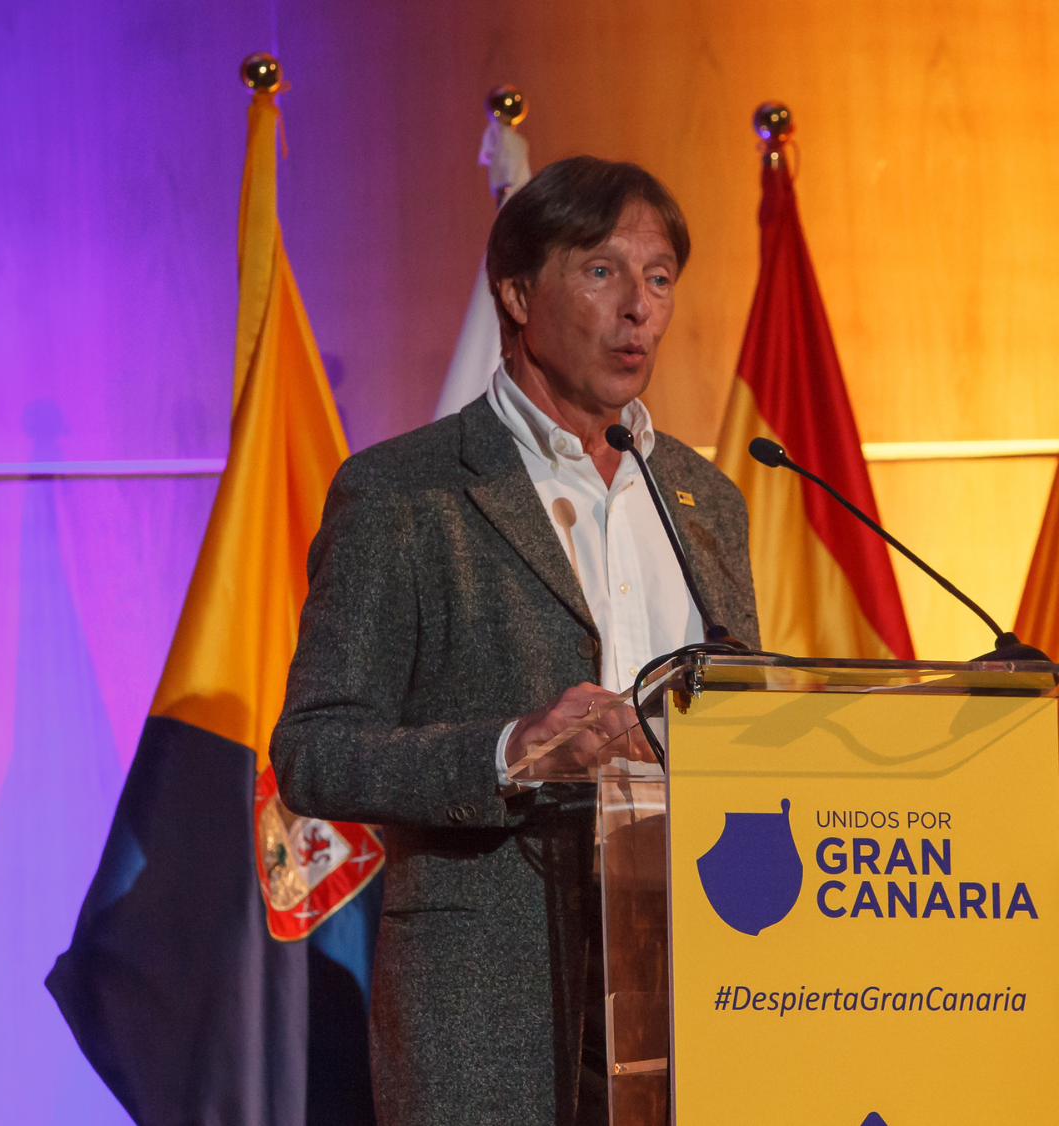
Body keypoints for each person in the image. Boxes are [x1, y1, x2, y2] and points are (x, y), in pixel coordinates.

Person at [271, 156, 760, 1126]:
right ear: (517, 290)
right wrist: (510, 750)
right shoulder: (403, 494)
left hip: (700, 973)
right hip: (493, 991)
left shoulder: (708, 504)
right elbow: (313, 750)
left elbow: (747, 728)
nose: (639, 310)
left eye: (659, 278)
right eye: (601, 271)